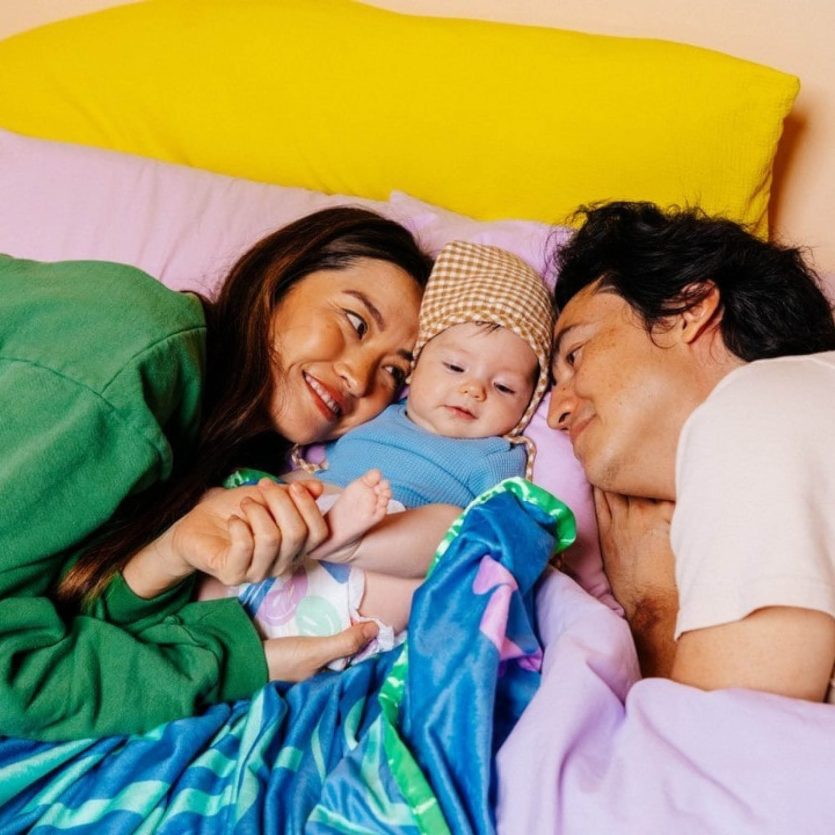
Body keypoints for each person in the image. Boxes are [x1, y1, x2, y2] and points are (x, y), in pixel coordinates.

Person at [0, 206, 432, 741]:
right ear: (279, 280)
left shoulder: (220, 465)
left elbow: (68, 614)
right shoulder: (137, 350)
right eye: (355, 322)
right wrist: (236, 665)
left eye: (394, 371)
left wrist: (171, 554)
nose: (360, 377)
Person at [199, 241, 556, 666]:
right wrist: (276, 492)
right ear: (417, 369)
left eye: (504, 387)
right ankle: (207, 628)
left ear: (527, 406)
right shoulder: (373, 413)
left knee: (455, 532)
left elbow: (501, 537)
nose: (473, 389)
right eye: (455, 367)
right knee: (259, 500)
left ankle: (345, 543)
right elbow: (314, 469)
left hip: (368, 581)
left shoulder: (497, 454)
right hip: (289, 553)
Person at [547, 200, 835, 702]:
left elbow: (735, 736)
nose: (556, 413)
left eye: (575, 355)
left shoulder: (757, 402)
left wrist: (653, 609)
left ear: (689, 309)